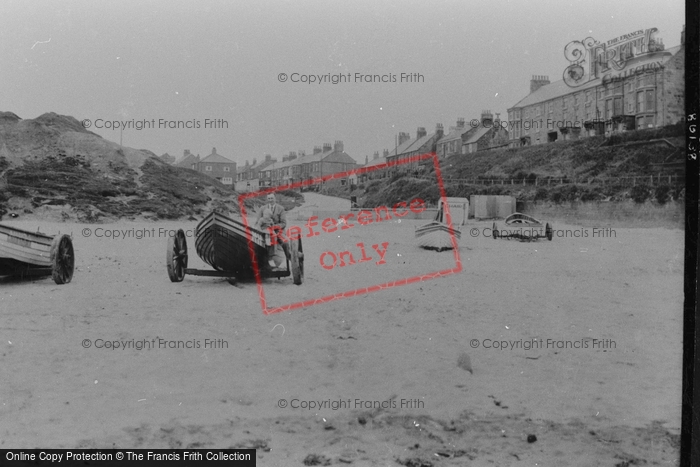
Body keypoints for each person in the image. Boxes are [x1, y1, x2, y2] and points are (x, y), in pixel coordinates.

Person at [256, 193, 287, 269]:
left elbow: (283, 223)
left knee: (285, 242)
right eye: (269, 198)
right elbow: (258, 221)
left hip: (277, 230)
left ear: (275, 199)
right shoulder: (262, 208)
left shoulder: (281, 209)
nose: (270, 200)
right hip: (264, 230)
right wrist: (261, 229)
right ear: (267, 199)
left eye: (272, 198)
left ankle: (287, 259)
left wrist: (274, 227)